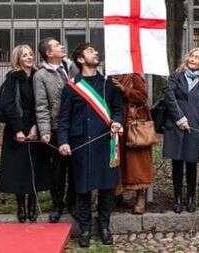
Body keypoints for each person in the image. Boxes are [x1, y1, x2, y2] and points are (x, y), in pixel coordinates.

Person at [57, 43, 123, 248]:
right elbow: (64, 118)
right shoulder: (71, 86)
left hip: (105, 142)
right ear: (80, 59)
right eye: (90, 51)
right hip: (81, 143)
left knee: (106, 187)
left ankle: (104, 227)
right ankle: (85, 229)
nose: (96, 53)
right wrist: (63, 141)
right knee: (82, 188)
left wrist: (117, 121)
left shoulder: (108, 84)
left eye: (96, 50)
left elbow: (118, 110)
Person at [0, 45, 51, 223]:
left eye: (30, 54)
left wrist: (37, 127)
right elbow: (8, 104)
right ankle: (20, 206)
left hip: (36, 126)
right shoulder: (13, 77)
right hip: (16, 128)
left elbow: (43, 103)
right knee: (19, 170)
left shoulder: (38, 75)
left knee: (35, 167)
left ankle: (33, 204)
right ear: (18, 59)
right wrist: (19, 129)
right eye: (24, 55)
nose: (29, 57)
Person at [162, 47, 199, 213]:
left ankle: (191, 198)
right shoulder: (176, 76)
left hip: (194, 126)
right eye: (191, 56)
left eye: (197, 57)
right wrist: (179, 117)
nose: (193, 59)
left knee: (191, 162)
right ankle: (177, 199)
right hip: (175, 125)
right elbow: (169, 96)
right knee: (177, 162)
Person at [34, 37, 78, 223]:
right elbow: (42, 105)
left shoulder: (72, 68)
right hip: (56, 128)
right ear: (49, 53)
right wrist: (44, 130)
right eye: (57, 45)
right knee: (58, 170)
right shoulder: (41, 75)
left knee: (76, 167)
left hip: (76, 127)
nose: (62, 46)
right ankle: (57, 204)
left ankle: (73, 202)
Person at [112, 73, 155, 214]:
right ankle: (117, 195)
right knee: (117, 159)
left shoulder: (134, 75)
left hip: (133, 123)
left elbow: (142, 97)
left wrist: (125, 89)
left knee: (137, 162)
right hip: (116, 121)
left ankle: (140, 196)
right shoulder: (110, 76)